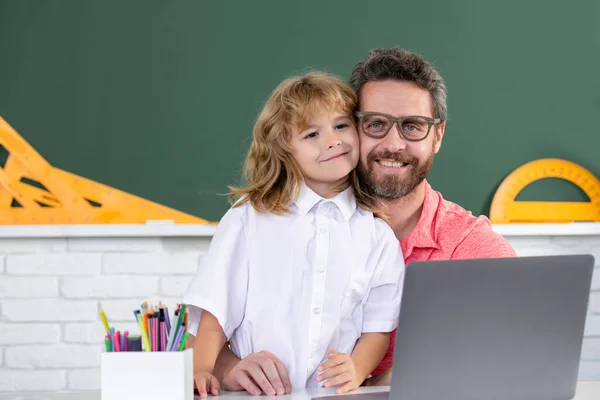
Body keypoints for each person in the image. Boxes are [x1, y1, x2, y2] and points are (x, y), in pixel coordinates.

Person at [209, 47, 517, 392]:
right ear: (352, 129)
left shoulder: (472, 247)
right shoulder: (263, 222)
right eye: (376, 124)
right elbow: (208, 327)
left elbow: (513, 361)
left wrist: (388, 380)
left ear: (438, 136)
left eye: (413, 126)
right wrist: (229, 367)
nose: (394, 143)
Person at [182, 71, 405, 398]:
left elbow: (378, 329)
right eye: (311, 134)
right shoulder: (248, 220)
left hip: (330, 395)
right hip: (254, 394)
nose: (332, 140)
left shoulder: (378, 237)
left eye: (341, 126)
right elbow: (214, 309)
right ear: (285, 150)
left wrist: (357, 367)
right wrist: (201, 369)